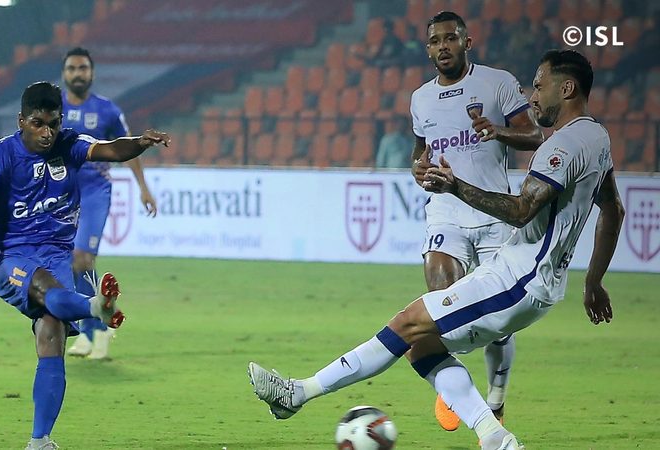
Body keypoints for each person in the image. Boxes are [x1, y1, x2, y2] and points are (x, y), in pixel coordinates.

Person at [249, 49, 622, 450]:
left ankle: (297, 393)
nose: (532, 97)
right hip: (535, 280)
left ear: (566, 88)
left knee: (407, 323)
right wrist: (593, 281)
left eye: (539, 86)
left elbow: (520, 210)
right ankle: (493, 435)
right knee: (420, 345)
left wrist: (455, 186)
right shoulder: (597, 138)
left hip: (520, 278)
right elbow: (613, 209)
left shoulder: (561, 146)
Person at [0, 81, 170, 450]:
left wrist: (140, 142)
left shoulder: (68, 144)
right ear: (21, 121)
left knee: (51, 332)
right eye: (38, 124)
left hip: (57, 252)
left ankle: (39, 440)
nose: (47, 133)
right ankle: (95, 307)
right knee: (47, 288)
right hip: (11, 256)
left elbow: (110, 149)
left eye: (53, 124)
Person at [408, 11, 544, 431]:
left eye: (451, 38)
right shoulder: (420, 98)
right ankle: (456, 393)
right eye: (436, 41)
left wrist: (498, 132)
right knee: (443, 306)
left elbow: (535, 135)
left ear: (467, 42)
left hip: (493, 212)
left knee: (497, 324)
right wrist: (417, 168)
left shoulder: (497, 83)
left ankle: (496, 397)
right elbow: (420, 151)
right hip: (446, 211)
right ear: (428, 49)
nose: (443, 46)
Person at [59, 47, 158, 360]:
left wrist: (143, 187)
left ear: (92, 73)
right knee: (72, 262)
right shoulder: (53, 107)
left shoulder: (107, 110)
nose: (78, 74)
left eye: (83, 68)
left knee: (81, 258)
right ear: (64, 73)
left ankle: (97, 330)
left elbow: (128, 148)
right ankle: (91, 332)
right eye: (72, 68)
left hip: (94, 192)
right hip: (61, 194)